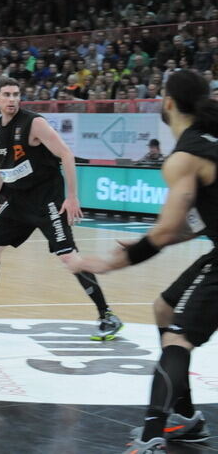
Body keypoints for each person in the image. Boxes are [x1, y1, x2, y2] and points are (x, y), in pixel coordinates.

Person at [69, 71, 218, 453]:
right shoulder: (208, 142)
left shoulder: (186, 156)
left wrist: (111, 263)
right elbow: (196, 222)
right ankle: (185, 417)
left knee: (177, 338)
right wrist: (139, 242)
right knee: (164, 308)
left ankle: (151, 436)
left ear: (167, 102)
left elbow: (167, 231)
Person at [0, 78, 123, 340]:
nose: (12, 99)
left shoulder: (34, 123)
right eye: (7, 94)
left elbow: (65, 153)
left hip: (47, 201)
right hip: (18, 200)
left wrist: (72, 196)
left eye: (16, 94)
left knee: (69, 258)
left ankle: (107, 314)